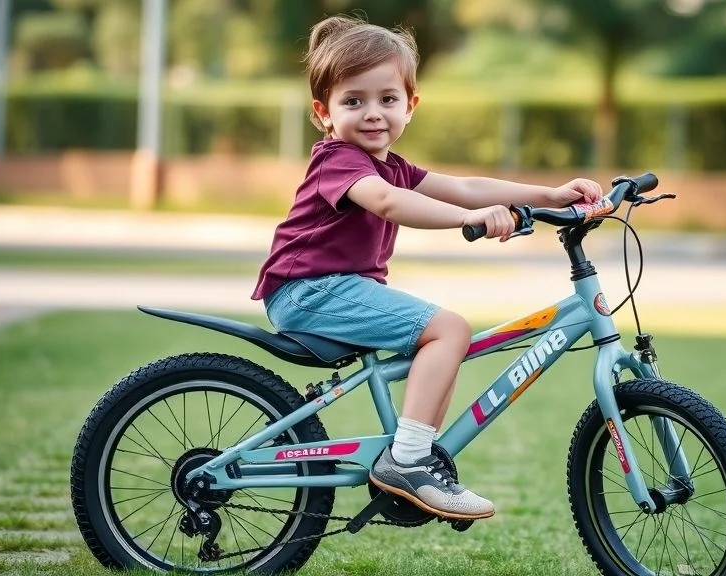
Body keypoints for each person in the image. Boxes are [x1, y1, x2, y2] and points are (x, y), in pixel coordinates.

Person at [252, 14, 602, 521]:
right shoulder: (340, 161)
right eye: (354, 101)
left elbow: (466, 187)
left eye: (387, 99)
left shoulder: (391, 164)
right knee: (448, 330)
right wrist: (469, 220)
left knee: (442, 337)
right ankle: (409, 459)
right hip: (309, 290)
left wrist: (548, 193)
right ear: (322, 112)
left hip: (333, 288)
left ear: (410, 105)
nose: (373, 114)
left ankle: (415, 455)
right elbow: (389, 203)